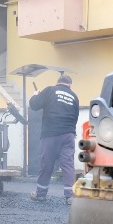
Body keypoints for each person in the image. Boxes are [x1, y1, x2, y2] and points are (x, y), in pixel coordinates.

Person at [28, 74, 80, 205]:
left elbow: (34, 105)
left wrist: (35, 95)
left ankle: (40, 194)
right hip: (68, 135)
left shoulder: (50, 90)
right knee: (68, 165)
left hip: (50, 134)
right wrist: (72, 132)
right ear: (70, 84)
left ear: (58, 82)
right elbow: (75, 116)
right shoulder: (74, 96)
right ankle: (70, 196)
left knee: (46, 164)